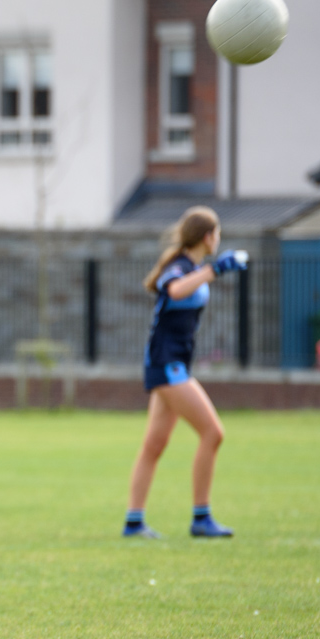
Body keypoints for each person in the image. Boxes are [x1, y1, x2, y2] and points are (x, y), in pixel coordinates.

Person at [123, 206, 246, 540]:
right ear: (208, 237)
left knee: (154, 445)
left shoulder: (190, 267)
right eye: (217, 233)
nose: (218, 239)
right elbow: (174, 290)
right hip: (168, 365)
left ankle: (134, 522)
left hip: (170, 363)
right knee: (213, 433)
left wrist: (210, 270)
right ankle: (201, 517)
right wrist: (215, 270)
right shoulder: (179, 267)